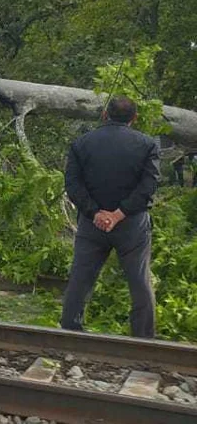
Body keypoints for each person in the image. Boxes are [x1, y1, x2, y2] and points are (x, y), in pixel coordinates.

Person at [61, 96, 160, 338]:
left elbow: (73, 185)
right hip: (132, 225)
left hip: (92, 224)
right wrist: (118, 214)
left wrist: (96, 212)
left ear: (105, 115)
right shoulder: (147, 145)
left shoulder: (81, 143)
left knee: (80, 278)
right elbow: (149, 186)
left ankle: (70, 331)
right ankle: (143, 338)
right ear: (134, 118)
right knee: (139, 281)